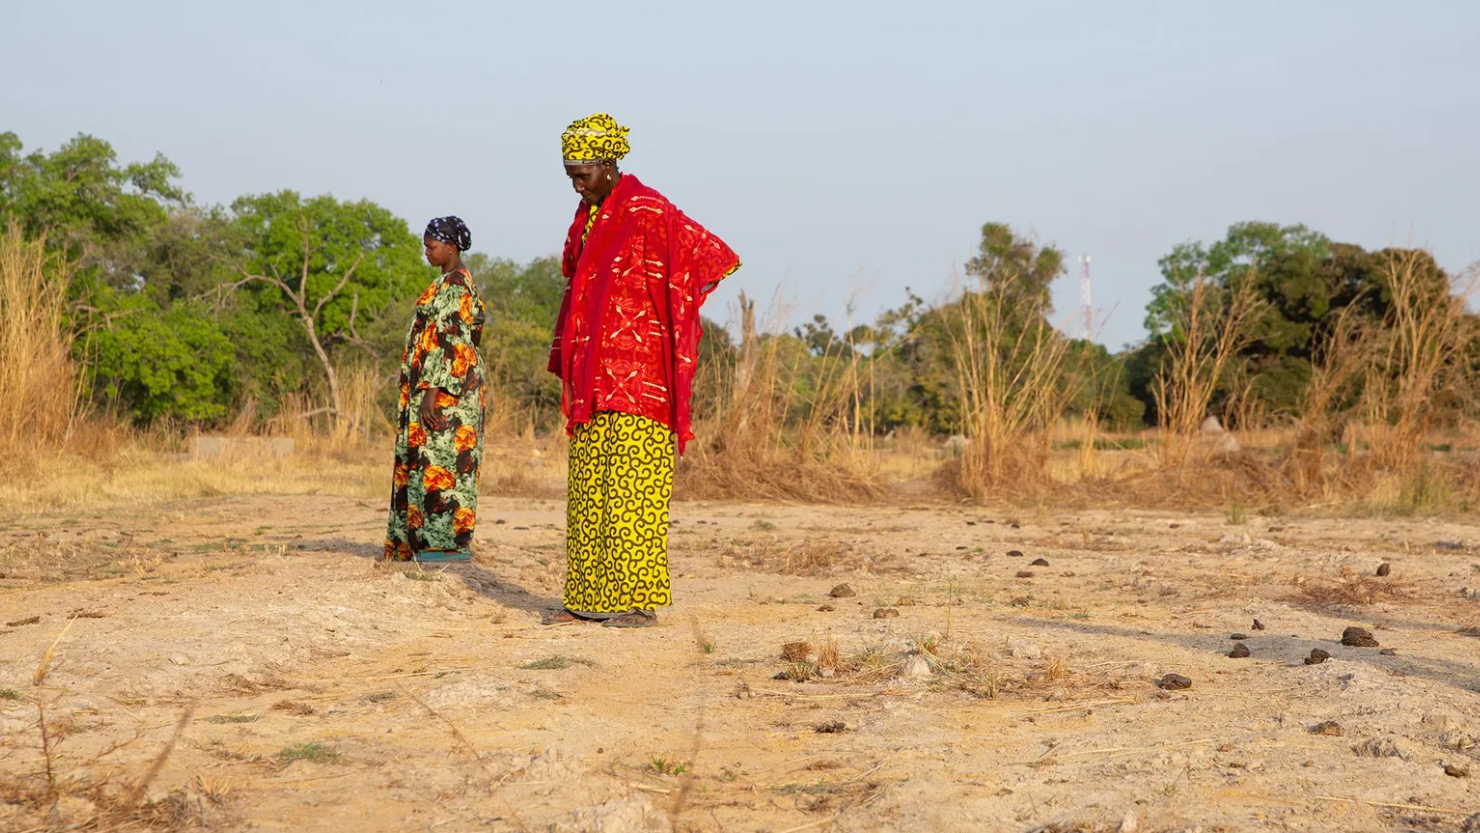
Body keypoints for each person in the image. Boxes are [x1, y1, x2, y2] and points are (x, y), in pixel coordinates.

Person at [546, 114, 740, 628]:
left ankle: (636, 604)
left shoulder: (649, 210)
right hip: (594, 379)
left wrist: (665, 310)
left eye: (583, 174)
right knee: (591, 490)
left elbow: (712, 255)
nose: (576, 184)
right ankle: (588, 601)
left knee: (633, 494)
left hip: (641, 380)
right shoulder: (589, 218)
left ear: (609, 165)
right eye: (569, 175)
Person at [382, 216, 488, 563]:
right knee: (425, 462)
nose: (426, 251)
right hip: (438, 386)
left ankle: (444, 545)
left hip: (446, 394)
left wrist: (432, 392)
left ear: (451, 247)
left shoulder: (456, 284)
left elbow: (452, 341)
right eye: (426, 244)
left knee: (444, 465)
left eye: (432, 245)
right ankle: (420, 542)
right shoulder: (447, 282)